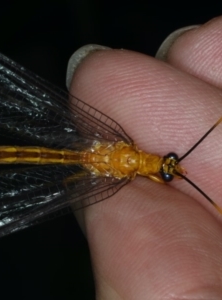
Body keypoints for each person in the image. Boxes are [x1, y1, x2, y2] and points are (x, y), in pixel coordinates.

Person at [66, 17, 222, 299]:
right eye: (167, 167)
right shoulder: (133, 161)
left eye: (166, 172)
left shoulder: (128, 146)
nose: (169, 168)